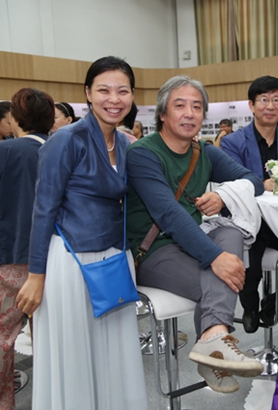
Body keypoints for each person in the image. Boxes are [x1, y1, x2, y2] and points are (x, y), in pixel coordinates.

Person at [16, 56, 149, 409]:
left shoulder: (125, 144)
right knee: (74, 359)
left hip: (113, 261)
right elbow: (43, 209)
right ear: (88, 93)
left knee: (114, 359)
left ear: (132, 95)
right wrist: (36, 275)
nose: (113, 99)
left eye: (122, 91)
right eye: (104, 90)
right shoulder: (65, 141)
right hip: (71, 262)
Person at [126, 75, 265, 394]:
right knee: (217, 281)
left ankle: (212, 339)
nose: (190, 113)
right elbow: (168, 213)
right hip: (153, 250)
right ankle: (214, 351)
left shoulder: (204, 153)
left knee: (229, 231)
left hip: (191, 242)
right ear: (163, 114)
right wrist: (215, 258)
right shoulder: (143, 153)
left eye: (197, 107)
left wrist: (223, 196)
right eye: (180, 106)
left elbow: (253, 180)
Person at [220, 75, 278, 333]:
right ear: (251, 105)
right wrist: (262, 184)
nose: (270, 106)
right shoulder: (232, 142)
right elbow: (233, 183)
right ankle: (249, 306)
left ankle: (274, 299)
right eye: (263, 100)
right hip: (250, 221)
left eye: (276, 100)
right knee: (251, 270)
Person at [0, 88, 54, 409]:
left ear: (16, 118)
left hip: (12, 258)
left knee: (3, 340)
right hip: (56, 261)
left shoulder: (6, 151)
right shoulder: (61, 150)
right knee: (50, 340)